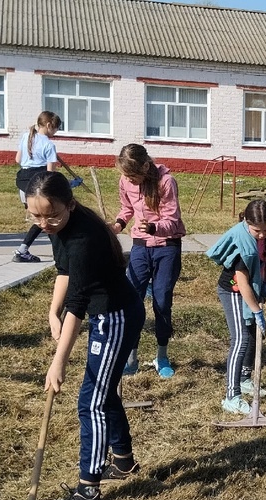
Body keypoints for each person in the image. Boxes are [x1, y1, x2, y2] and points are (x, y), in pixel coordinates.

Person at [31, 171, 145, 500]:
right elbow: (64, 273)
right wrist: (53, 311)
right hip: (107, 312)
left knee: (91, 401)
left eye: (51, 215)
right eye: (35, 215)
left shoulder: (84, 238)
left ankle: (88, 491)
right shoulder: (61, 227)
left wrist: (58, 361)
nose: (44, 223)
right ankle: (123, 461)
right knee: (104, 391)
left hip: (114, 317)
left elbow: (78, 304)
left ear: (71, 204)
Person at [111, 144, 186, 377]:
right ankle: (131, 359)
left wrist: (154, 227)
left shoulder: (166, 182)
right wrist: (118, 225)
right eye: (126, 176)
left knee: (162, 302)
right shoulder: (125, 181)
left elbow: (173, 220)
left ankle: (162, 356)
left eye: (133, 175)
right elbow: (126, 208)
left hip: (167, 248)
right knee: (133, 301)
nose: (129, 181)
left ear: (145, 166)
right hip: (140, 249)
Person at [207, 200, 266, 415]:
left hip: (253, 288)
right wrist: (257, 311)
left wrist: (265, 288)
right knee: (240, 339)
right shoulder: (242, 245)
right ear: (245, 222)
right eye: (256, 230)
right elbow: (242, 284)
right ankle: (232, 396)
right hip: (232, 290)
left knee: (252, 334)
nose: (262, 235)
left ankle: (245, 379)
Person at [12, 111, 65, 263]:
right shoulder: (49, 144)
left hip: (23, 183)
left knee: (42, 219)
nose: (56, 132)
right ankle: (58, 255)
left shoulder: (26, 137)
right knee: (47, 218)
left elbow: (17, 159)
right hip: (38, 184)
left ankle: (24, 250)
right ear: (49, 125)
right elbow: (50, 174)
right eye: (55, 128)